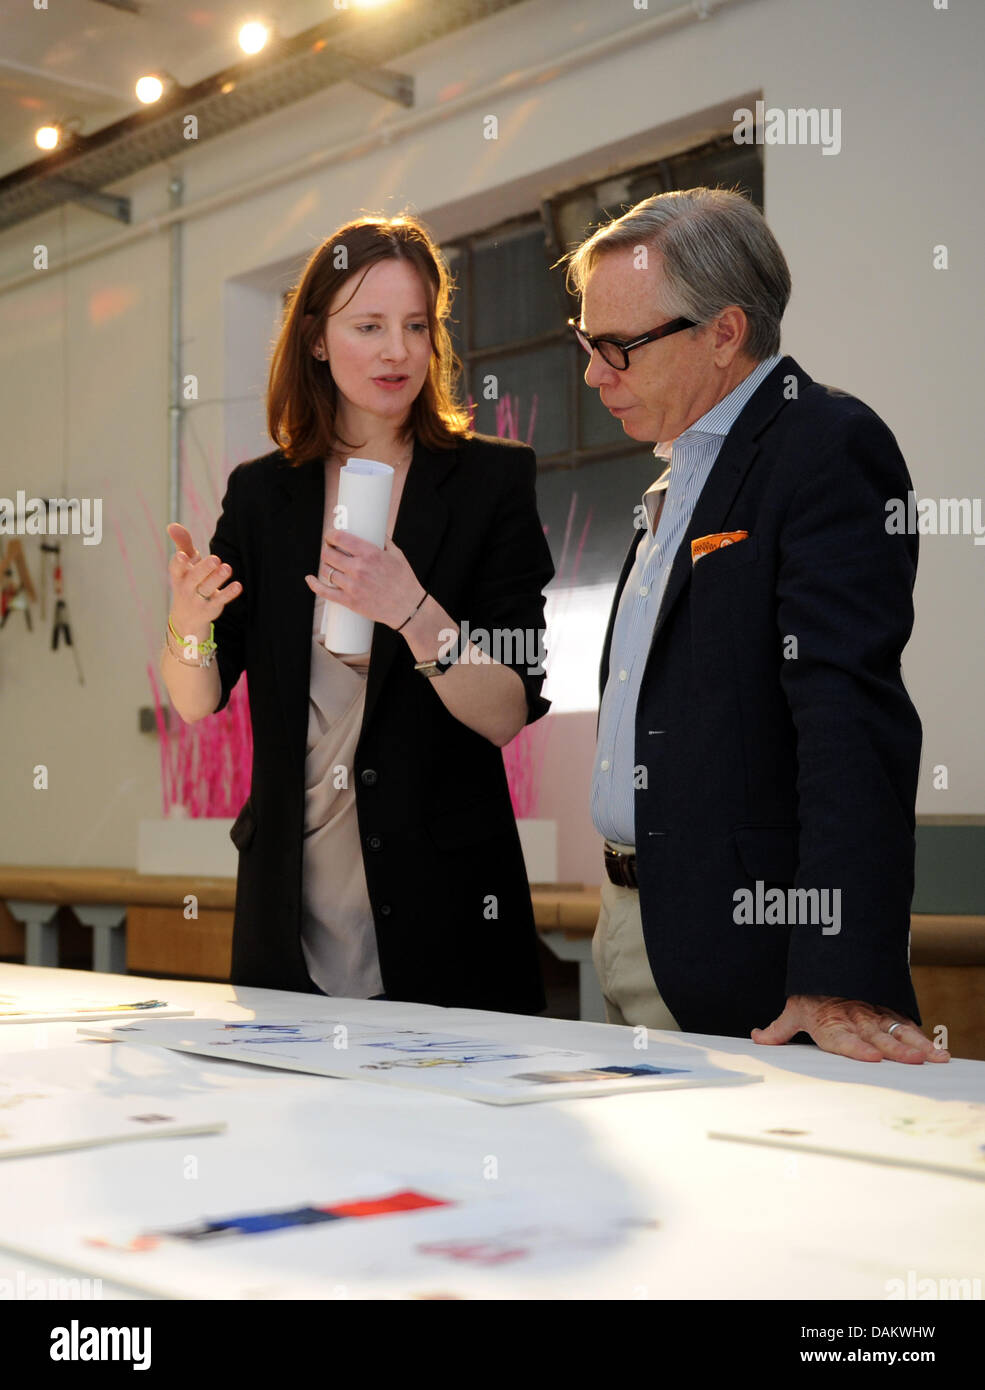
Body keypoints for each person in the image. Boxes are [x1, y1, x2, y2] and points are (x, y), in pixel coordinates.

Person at [560, 186, 947, 1064]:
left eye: (617, 347)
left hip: (759, 959)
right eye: (587, 344)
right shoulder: (681, 472)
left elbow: (849, 720)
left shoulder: (824, 447)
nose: (592, 374)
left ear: (724, 332)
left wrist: (840, 968)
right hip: (633, 920)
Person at [160, 213, 554, 1013]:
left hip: (447, 908)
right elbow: (198, 698)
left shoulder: (489, 485)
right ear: (315, 338)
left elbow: (506, 710)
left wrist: (410, 610)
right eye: (368, 325)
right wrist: (187, 621)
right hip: (289, 905)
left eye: (417, 326)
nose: (397, 350)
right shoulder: (262, 495)